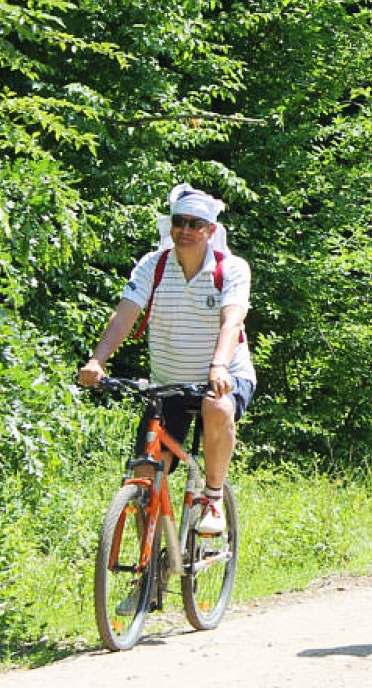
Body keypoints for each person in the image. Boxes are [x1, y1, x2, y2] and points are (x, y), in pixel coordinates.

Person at [78, 184, 256, 536]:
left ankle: (213, 497)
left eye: (195, 224)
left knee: (217, 408)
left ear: (210, 230)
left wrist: (219, 366)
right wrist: (97, 360)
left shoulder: (231, 269)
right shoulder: (153, 266)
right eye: (180, 222)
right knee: (145, 473)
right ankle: (150, 573)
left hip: (224, 375)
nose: (185, 230)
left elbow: (232, 321)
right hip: (169, 384)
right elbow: (125, 316)